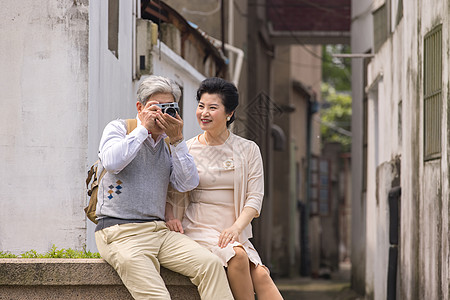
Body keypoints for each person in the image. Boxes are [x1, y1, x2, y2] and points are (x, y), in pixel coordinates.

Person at [94, 75, 234, 300]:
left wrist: (178, 140)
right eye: (155, 108)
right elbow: (111, 162)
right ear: (140, 107)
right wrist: (143, 130)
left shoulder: (169, 144)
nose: (161, 114)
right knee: (157, 297)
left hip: (159, 231)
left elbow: (187, 183)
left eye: (168, 108)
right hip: (119, 232)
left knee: (210, 265)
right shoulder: (120, 128)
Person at [166, 77, 283, 300]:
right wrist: (170, 215)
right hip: (199, 226)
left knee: (261, 274)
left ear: (229, 113)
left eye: (213, 107)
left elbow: (254, 198)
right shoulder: (186, 148)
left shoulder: (248, 149)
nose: (204, 113)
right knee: (238, 257)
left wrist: (235, 229)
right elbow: (171, 189)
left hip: (233, 230)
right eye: (201, 106)